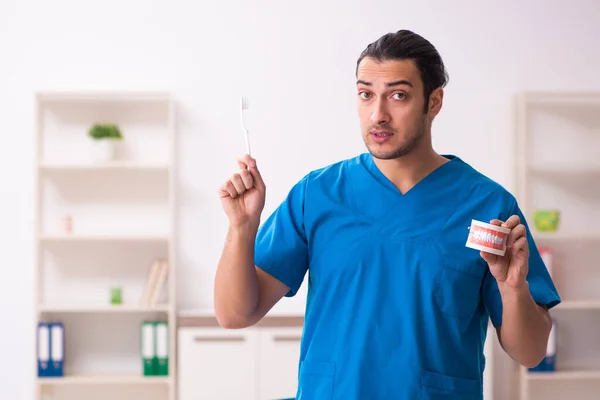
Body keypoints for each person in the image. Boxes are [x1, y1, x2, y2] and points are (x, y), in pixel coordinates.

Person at [215, 29, 560, 399]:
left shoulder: (488, 206)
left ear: (434, 102)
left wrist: (513, 290)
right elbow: (235, 315)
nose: (378, 115)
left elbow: (530, 352)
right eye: (366, 95)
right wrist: (241, 228)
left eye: (398, 96)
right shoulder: (317, 195)